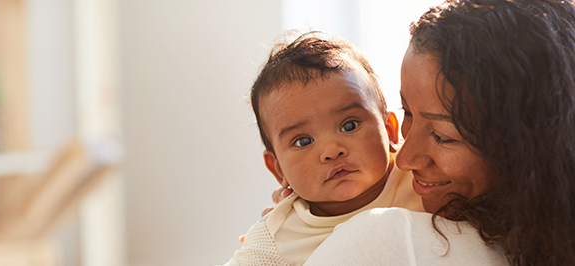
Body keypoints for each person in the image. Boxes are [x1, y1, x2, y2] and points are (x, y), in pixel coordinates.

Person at [299, 0, 575, 265]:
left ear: (532, 146)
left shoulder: (387, 240)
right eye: (407, 111)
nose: (405, 159)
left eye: (443, 135)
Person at [223, 32, 423, 266]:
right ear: (278, 171)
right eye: (303, 141)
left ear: (389, 130)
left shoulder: (420, 177)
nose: (331, 150)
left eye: (349, 126)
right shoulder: (277, 236)